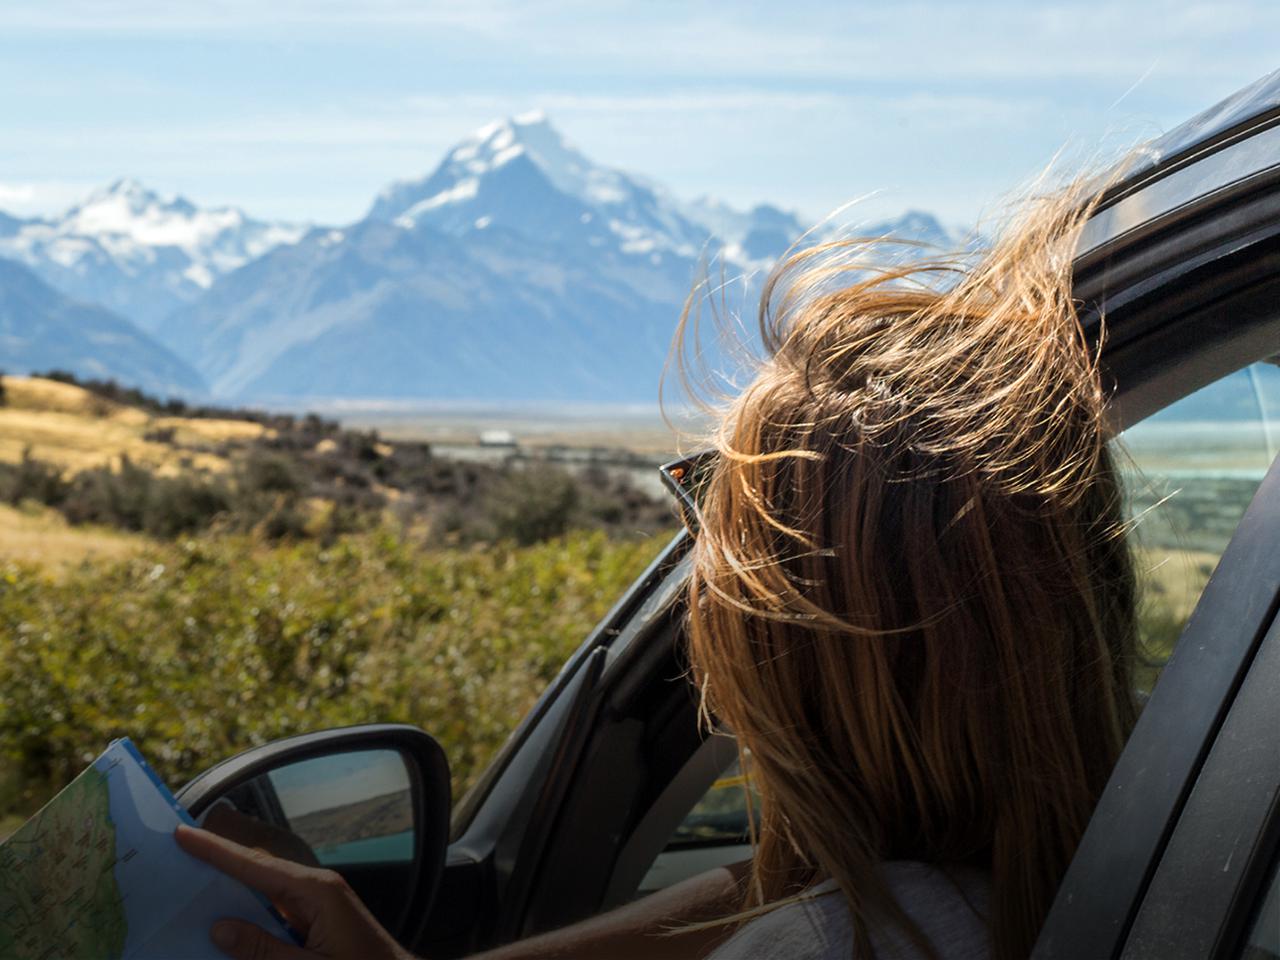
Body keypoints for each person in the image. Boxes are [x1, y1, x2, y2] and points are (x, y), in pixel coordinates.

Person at [176, 175, 1139, 960]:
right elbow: (770, 888)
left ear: (790, 635)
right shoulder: (1128, 862)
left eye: (717, 521)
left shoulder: (828, 946)